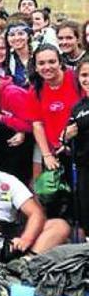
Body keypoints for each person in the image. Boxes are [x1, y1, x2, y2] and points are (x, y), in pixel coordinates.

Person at [28, 44, 81, 180]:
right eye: (41, 63)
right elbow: (37, 124)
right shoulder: (36, 90)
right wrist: (47, 155)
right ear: (36, 67)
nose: (47, 67)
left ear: (60, 62)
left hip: (81, 148)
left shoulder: (76, 80)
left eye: (52, 62)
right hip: (56, 153)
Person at [62, 60, 89, 237]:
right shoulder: (78, 107)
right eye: (84, 75)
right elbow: (66, 136)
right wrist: (66, 136)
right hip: (84, 168)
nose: (87, 79)